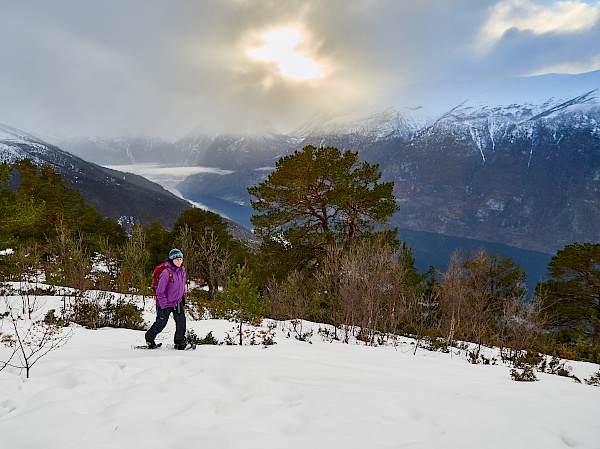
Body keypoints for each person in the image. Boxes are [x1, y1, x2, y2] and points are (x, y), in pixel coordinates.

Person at [145, 248, 187, 349]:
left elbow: (182, 285)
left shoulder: (182, 271)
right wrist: (163, 304)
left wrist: (183, 296)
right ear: (171, 260)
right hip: (165, 303)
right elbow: (160, 291)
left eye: (180, 259)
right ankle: (149, 339)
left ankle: (179, 342)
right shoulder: (166, 273)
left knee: (181, 323)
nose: (179, 261)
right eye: (176, 259)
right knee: (161, 323)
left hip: (177, 302)